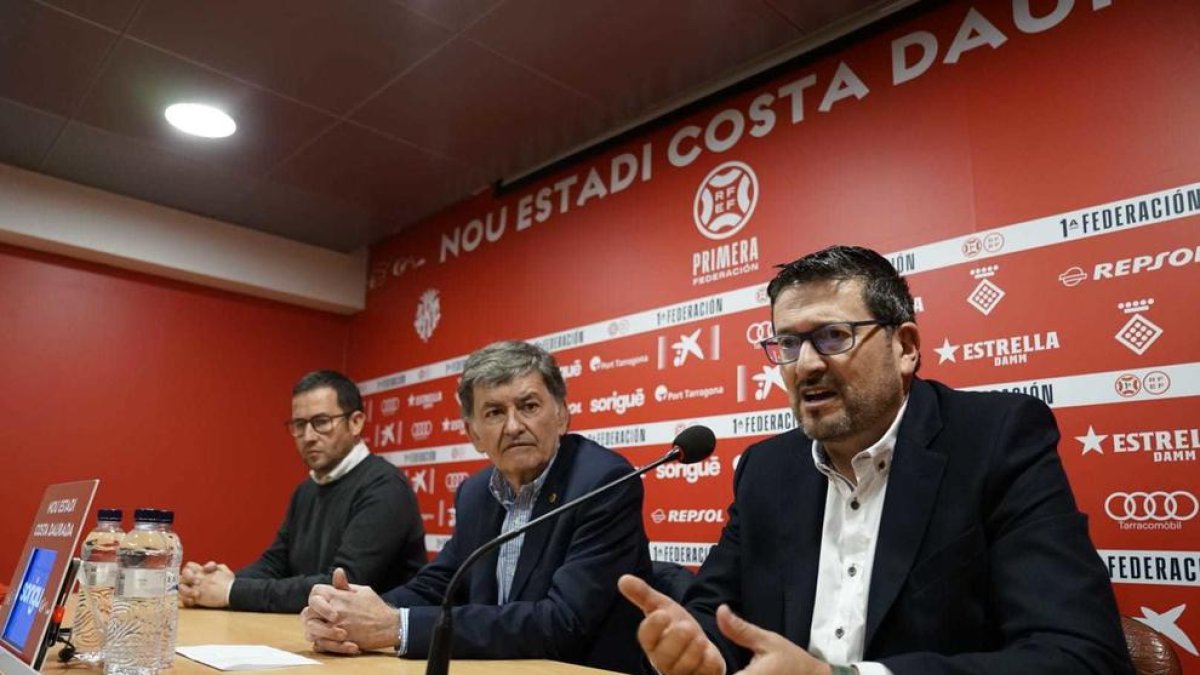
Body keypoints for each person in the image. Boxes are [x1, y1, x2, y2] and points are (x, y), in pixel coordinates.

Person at [619, 245, 1132, 675]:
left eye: (833, 337)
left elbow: (1079, 655)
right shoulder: (767, 469)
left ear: (905, 347)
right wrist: (704, 646)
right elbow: (716, 610)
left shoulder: (996, 439)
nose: (807, 365)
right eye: (789, 344)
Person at [300, 341, 652, 672]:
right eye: (495, 412)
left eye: (529, 406)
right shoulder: (476, 492)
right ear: (473, 434)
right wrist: (349, 613)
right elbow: (439, 585)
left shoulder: (603, 483)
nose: (514, 426)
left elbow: (562, 623)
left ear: (561, 414)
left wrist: (395, 627)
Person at [179, 370, 427, 613]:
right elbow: (275, 563)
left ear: (356, 422)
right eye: (299, 424)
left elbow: (341, 586)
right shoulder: (307, 489)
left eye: (321, 422)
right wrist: (210, 584)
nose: (308, 436)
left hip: (377, 647)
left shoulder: (386, 487)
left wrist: (231, 591)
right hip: (318, 634)